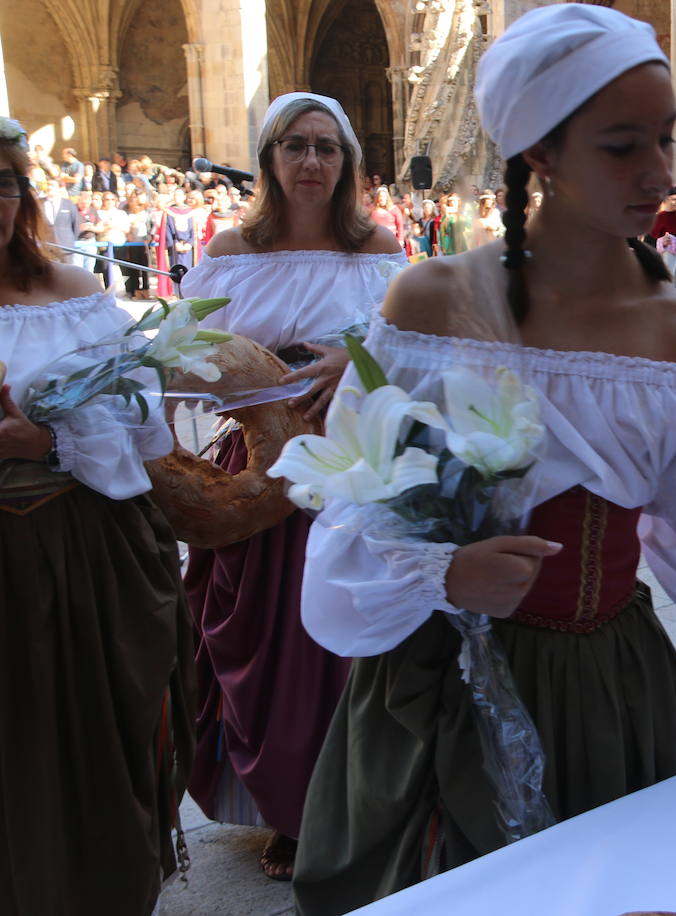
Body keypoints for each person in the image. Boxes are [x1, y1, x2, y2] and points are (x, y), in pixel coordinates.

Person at [289, 8, 676, 911]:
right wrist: (444, 571)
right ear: (539, 152)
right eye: (624, 146)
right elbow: (350, 504)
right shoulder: (431, 302)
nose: (662, 173)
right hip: (453, 685)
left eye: (664, 139)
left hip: (615, 684)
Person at [178, 92, 407, 882]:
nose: (312, 161)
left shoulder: (377, 247)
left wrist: (358, 357)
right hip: (260, 472)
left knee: (335, 644)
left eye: (327, 148)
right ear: (270, 158)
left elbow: (421, 355)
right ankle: (284, 806)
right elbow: (185, 361)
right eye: (295, 146)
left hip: (349, 467)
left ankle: (342, 796)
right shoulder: (233, 249)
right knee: (268, 643)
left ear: (347, 164)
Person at [0, 117, 194, 915]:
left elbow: (144, 425)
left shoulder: (75, 295)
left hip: (84, 558)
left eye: (2, 182)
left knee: (89, 749)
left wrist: (47, 439)